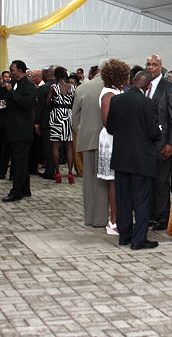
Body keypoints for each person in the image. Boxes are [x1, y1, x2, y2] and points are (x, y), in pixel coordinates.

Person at [107, 70, 162, 250]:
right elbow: (154, 132)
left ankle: (125, 236)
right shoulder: (147, 103)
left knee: (123, 199)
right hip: (142, 159)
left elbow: (110, 128)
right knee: (141, 199)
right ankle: (139, 239)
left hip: (121, 157)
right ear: (147, 87)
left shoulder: (116, 100)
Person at [146, 55, 172, 231]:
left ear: (161, 67)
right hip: (146, 143)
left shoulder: (169, 87)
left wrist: (171, 144)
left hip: (163, 143)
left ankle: (162, 216)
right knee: (148, 181)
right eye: (148, 64)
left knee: (161, 182)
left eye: (154, 65)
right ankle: (150, 215)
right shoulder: (144, 86)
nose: (151, 67)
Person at [72, 62, 110, 228]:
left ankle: (89, 217)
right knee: (103, 180)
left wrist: (82, 133)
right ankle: (101, 219)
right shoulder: (113, 88)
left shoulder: (82, 88)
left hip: (87, 139)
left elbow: (74, 118)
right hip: (108, 140)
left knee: (88, 180)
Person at [0, 60, 37, 202]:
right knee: (20, 160)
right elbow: (1, 101)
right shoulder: (10, 84)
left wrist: (11, 92)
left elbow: (26, 104)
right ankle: (25, 189)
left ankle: (16, 191)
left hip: (22, 129)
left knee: (19, 161)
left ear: (20, 70)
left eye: (12, 70)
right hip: (10, 127)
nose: (10, 73)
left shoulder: (30, 86)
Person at [98, 59, 130, 236]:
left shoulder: (117, 92)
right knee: (115, 182)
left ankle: (119, 218)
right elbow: (107, 122)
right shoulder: (109, 95)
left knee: (119, 181)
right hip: (112, 140)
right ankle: (113, 221)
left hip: (119, 139)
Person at [47, 66, 76, 184]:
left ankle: (57, 172)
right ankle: (70, 172)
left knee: (55, 146)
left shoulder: (54, 87)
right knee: (69, 146)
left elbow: (47, 102)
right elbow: (74, 102)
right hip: (68, 115)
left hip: (56, 115)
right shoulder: (72, 87)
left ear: (55, 76)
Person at [34, 68, 55, 180]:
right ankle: (56, 170)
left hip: (46, 121)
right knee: (57, 147)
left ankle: (50, 170)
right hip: (60, 120)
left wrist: (37, 122)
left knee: (48, 147)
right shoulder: (63, 86)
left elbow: (40, 107)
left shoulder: (43, 88)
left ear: (45, 75)